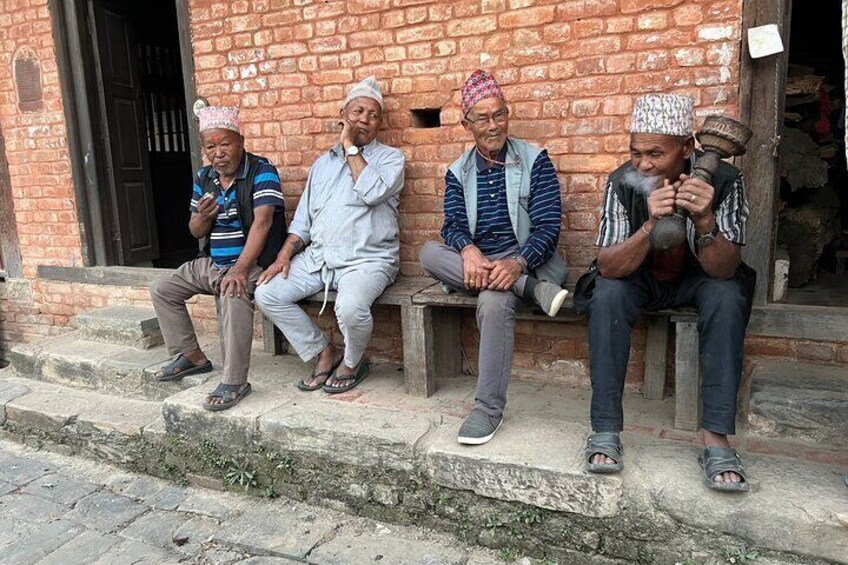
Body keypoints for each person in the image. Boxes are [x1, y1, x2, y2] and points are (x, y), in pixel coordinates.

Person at [573, 93, 755, 492]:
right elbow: (609, 265)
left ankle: (716, 440)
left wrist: (705, 219)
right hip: (642, 276)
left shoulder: (725, 182)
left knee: (727, 297)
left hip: (699, 276)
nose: (643, 163)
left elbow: (724, 268)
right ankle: (605, 429)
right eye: (636, 152)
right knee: (607, 294)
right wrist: (650, 225)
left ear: (688, 149)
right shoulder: (622, 182)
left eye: (656, 153)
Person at [420, 69, 568, 446]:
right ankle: (531, 290)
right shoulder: (458, 171)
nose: (493, 125)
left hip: (527, 260)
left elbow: (549, 227)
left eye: (499, 114)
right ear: (466, 123)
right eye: (483, 118)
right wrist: (468, 251)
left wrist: (517, 264)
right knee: (428, 253)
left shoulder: (535, 160)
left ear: (507, 114)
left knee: (492, 299)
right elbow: (452, 225)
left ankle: (487, 410)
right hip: (480, 263)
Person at [255, 77, 404, 394]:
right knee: (267, 293)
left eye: (373, 114)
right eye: (358, 111)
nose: (364, 119)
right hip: (319, 258)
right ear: (344, 114)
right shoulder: (322, 165)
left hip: (368, 261)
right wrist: (283, 257)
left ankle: (352, 361)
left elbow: (372, 191)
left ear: (380, 123)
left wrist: (350, 146)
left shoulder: (391, 159)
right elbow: (303, 223)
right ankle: (324, 351)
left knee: (350, 307)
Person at [149, 106, 286, 411]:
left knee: (233, 290)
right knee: (163, 289)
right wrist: (202, 216)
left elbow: (263, 222)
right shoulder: (205, 177)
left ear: (240, 141)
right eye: (211, 146)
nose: (219, 153)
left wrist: (240, 268)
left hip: (253, 263)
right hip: (213, 262)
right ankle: (191, 355)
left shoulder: (261, 171)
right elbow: (194, 229)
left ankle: (235, 380)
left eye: (225, 144)